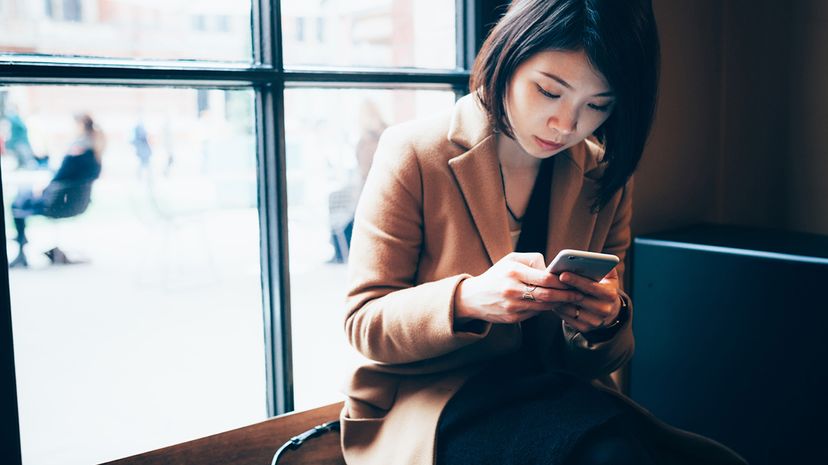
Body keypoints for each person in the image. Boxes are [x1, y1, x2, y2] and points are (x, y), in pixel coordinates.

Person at [339, 1, 747, 464]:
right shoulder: (415, 152)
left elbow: (608, 359)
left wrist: (605, 322)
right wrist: (470, 299)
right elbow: (364, 324)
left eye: (597, 105)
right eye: (549, 91)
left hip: (552, 391)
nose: (568, 124)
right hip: (430, 400)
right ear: (510, 55)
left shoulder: (602, 175)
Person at [8, 113, 104, 268]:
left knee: (18, 203)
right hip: (75, 202)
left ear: (79, 125)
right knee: (23, 198)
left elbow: (61, 175)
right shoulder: (95, 151)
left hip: (59, 202)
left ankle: (21, 247)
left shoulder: (78, 150)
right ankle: (22, 244)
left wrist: (45, 187)